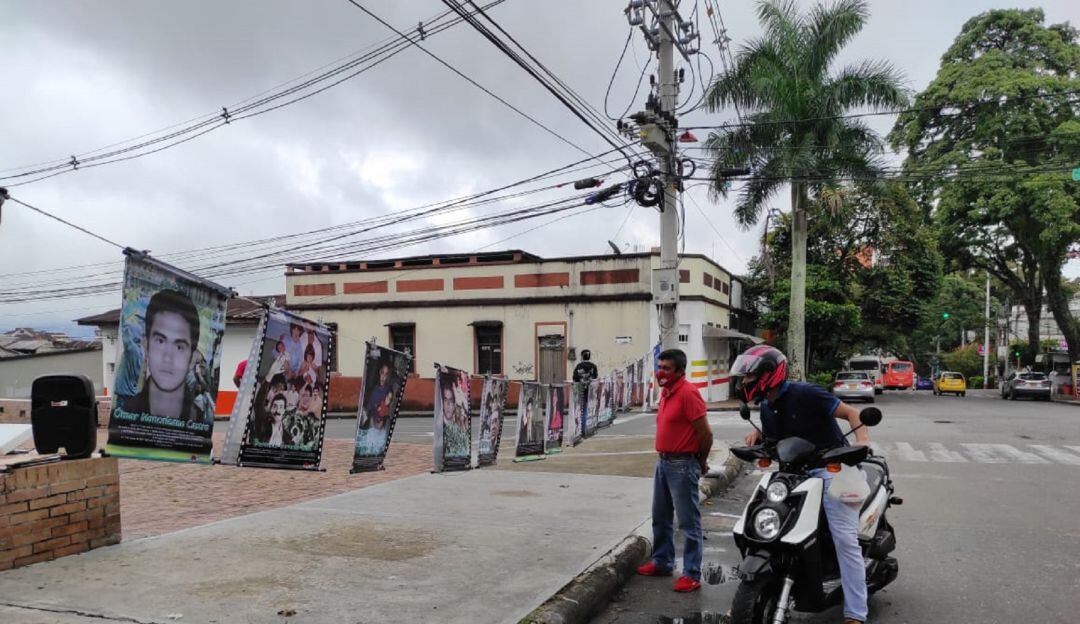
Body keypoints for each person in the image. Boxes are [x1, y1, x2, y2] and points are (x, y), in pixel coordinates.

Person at [731, 345, 870, 624]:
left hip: (832, 470)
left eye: (749, 377)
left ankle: (855, 612)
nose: (744, 382)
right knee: (760, 525)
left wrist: (862, 442)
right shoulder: (768, 408)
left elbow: (853, 414)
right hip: (794, 475)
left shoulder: (806, 393)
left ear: (769, 374)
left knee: (844, 538)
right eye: (744, 378)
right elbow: (778, 441)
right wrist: (757, 438)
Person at [636, 348, 712, 593]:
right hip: (664, 462)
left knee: (689, 522)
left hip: (682, 464)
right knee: (660, 516)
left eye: (666, 368)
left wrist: (700, 461)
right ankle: (662, 561)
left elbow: (705, 433)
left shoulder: (689, 393)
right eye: (660, 367)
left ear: (680, 371)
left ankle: (691, 573)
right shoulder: (667, 392)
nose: (661, 373)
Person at [123, 289, 205, 422]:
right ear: (146, 344)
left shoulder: (200, 420)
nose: (167, 358)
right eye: (160, 341)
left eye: (179, 347)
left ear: (192, 357)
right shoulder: (126, 414)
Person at [360, 361, 396, 430]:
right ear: (380, 372)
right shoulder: (373, 387)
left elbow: (386, 404)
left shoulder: (388, 389)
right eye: (382, 372)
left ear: (388, 375)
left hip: (378, 422)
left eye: (386, 374)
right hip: (370, 418)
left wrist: (383, 405)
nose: (383, 376)